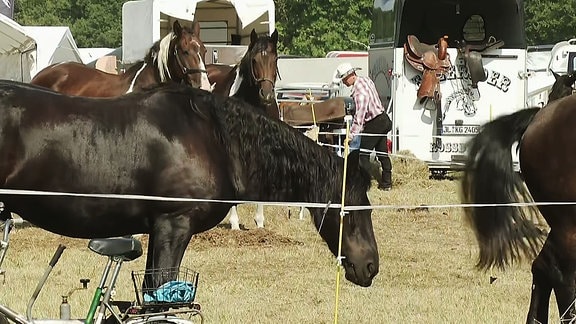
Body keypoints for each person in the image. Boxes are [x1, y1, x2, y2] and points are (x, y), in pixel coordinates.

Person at [334, 62, 392, 191]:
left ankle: (363, 184)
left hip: (375, 123)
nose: (344, 82)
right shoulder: (366, 80)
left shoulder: (359, 93)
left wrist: (351, 135)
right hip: (383, 118)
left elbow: (360, 116)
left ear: (350, 75)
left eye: (344, 79)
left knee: (362, 155)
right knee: (382, 152)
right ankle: (387, 183)